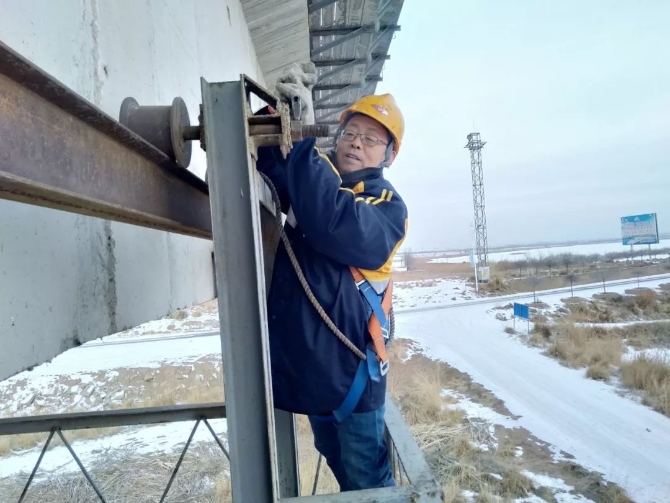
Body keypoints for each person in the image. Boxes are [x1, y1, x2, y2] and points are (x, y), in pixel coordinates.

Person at [256, 76, 408, 491]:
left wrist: (303, 139)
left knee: (367, 480)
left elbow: (332, 220)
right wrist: (275, 120)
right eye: (350, 133)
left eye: (371, 139)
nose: (356, 143)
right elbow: (276, 171)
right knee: (338, 462)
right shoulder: (317, 180)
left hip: (355, 379)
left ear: (389, 155)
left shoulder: (388, 207)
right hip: (317, 371)